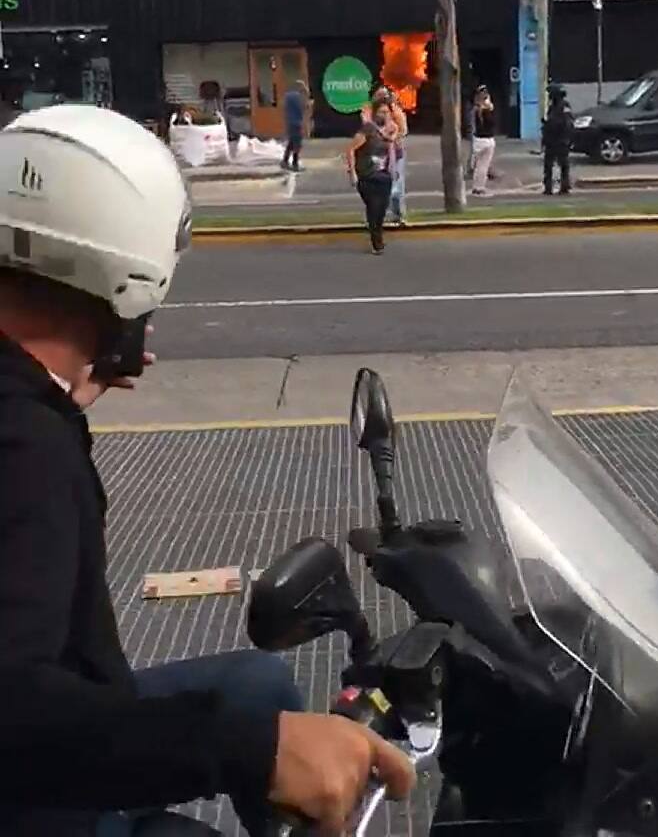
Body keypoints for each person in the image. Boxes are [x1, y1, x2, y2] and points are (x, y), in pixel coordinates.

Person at [0, 105, 414, 837]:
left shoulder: (29, 413)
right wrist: (249, 750)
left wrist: (61, 406)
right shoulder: (24, 447)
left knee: (254, 684)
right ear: (121, 273)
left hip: (66, 711)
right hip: (41, 792)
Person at [347, 103, 397, 254]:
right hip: (367, 175)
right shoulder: (368, 130)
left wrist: (392, 170)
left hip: (383, 176)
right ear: (375, 114)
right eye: (381, 112)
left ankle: (377, 233)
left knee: (382, 209)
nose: (384, 115)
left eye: (387, 112)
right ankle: (377, 242)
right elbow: (350, 150)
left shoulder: (387, 132)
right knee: (374, 207)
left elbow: (390, 152)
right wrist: (352, 172)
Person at [362, 88, 408, 226]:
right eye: (379, 95)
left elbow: (403, 130)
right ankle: (373, 217)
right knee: (373, 187)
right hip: (375, 154)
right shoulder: (369, 112)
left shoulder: (396, 112)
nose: (382, 98)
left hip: (395, 154)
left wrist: (390, 136)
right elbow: (366, 128)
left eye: (385, 95)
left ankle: (398, 215)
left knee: (396, 187)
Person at [542, 84, 575, 196]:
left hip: (561, 140)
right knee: (548, 165)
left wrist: (550, 124)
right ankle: (548, 187)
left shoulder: (564, 106)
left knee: (563, 164)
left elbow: (567, 124)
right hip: (551, 140)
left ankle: (564, 186)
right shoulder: (552, 107)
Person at [470, 85, 496, 196]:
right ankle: (480, 187)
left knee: (478, 166)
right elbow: (492, 123)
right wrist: (490, 108)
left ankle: (476, 186)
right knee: (483, 166)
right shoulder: (486, 111)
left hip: (478, 140)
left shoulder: (475, 109)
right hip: (487, 140)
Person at [281, 80, 308, 173]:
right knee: (297, 144)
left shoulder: (287, 96)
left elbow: (284, 107)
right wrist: (306, 92)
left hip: (290, 122)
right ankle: (295, 163)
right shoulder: (299, 97)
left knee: (291, 142)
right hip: (297, 123)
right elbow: (305, 107)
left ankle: (285, 161)